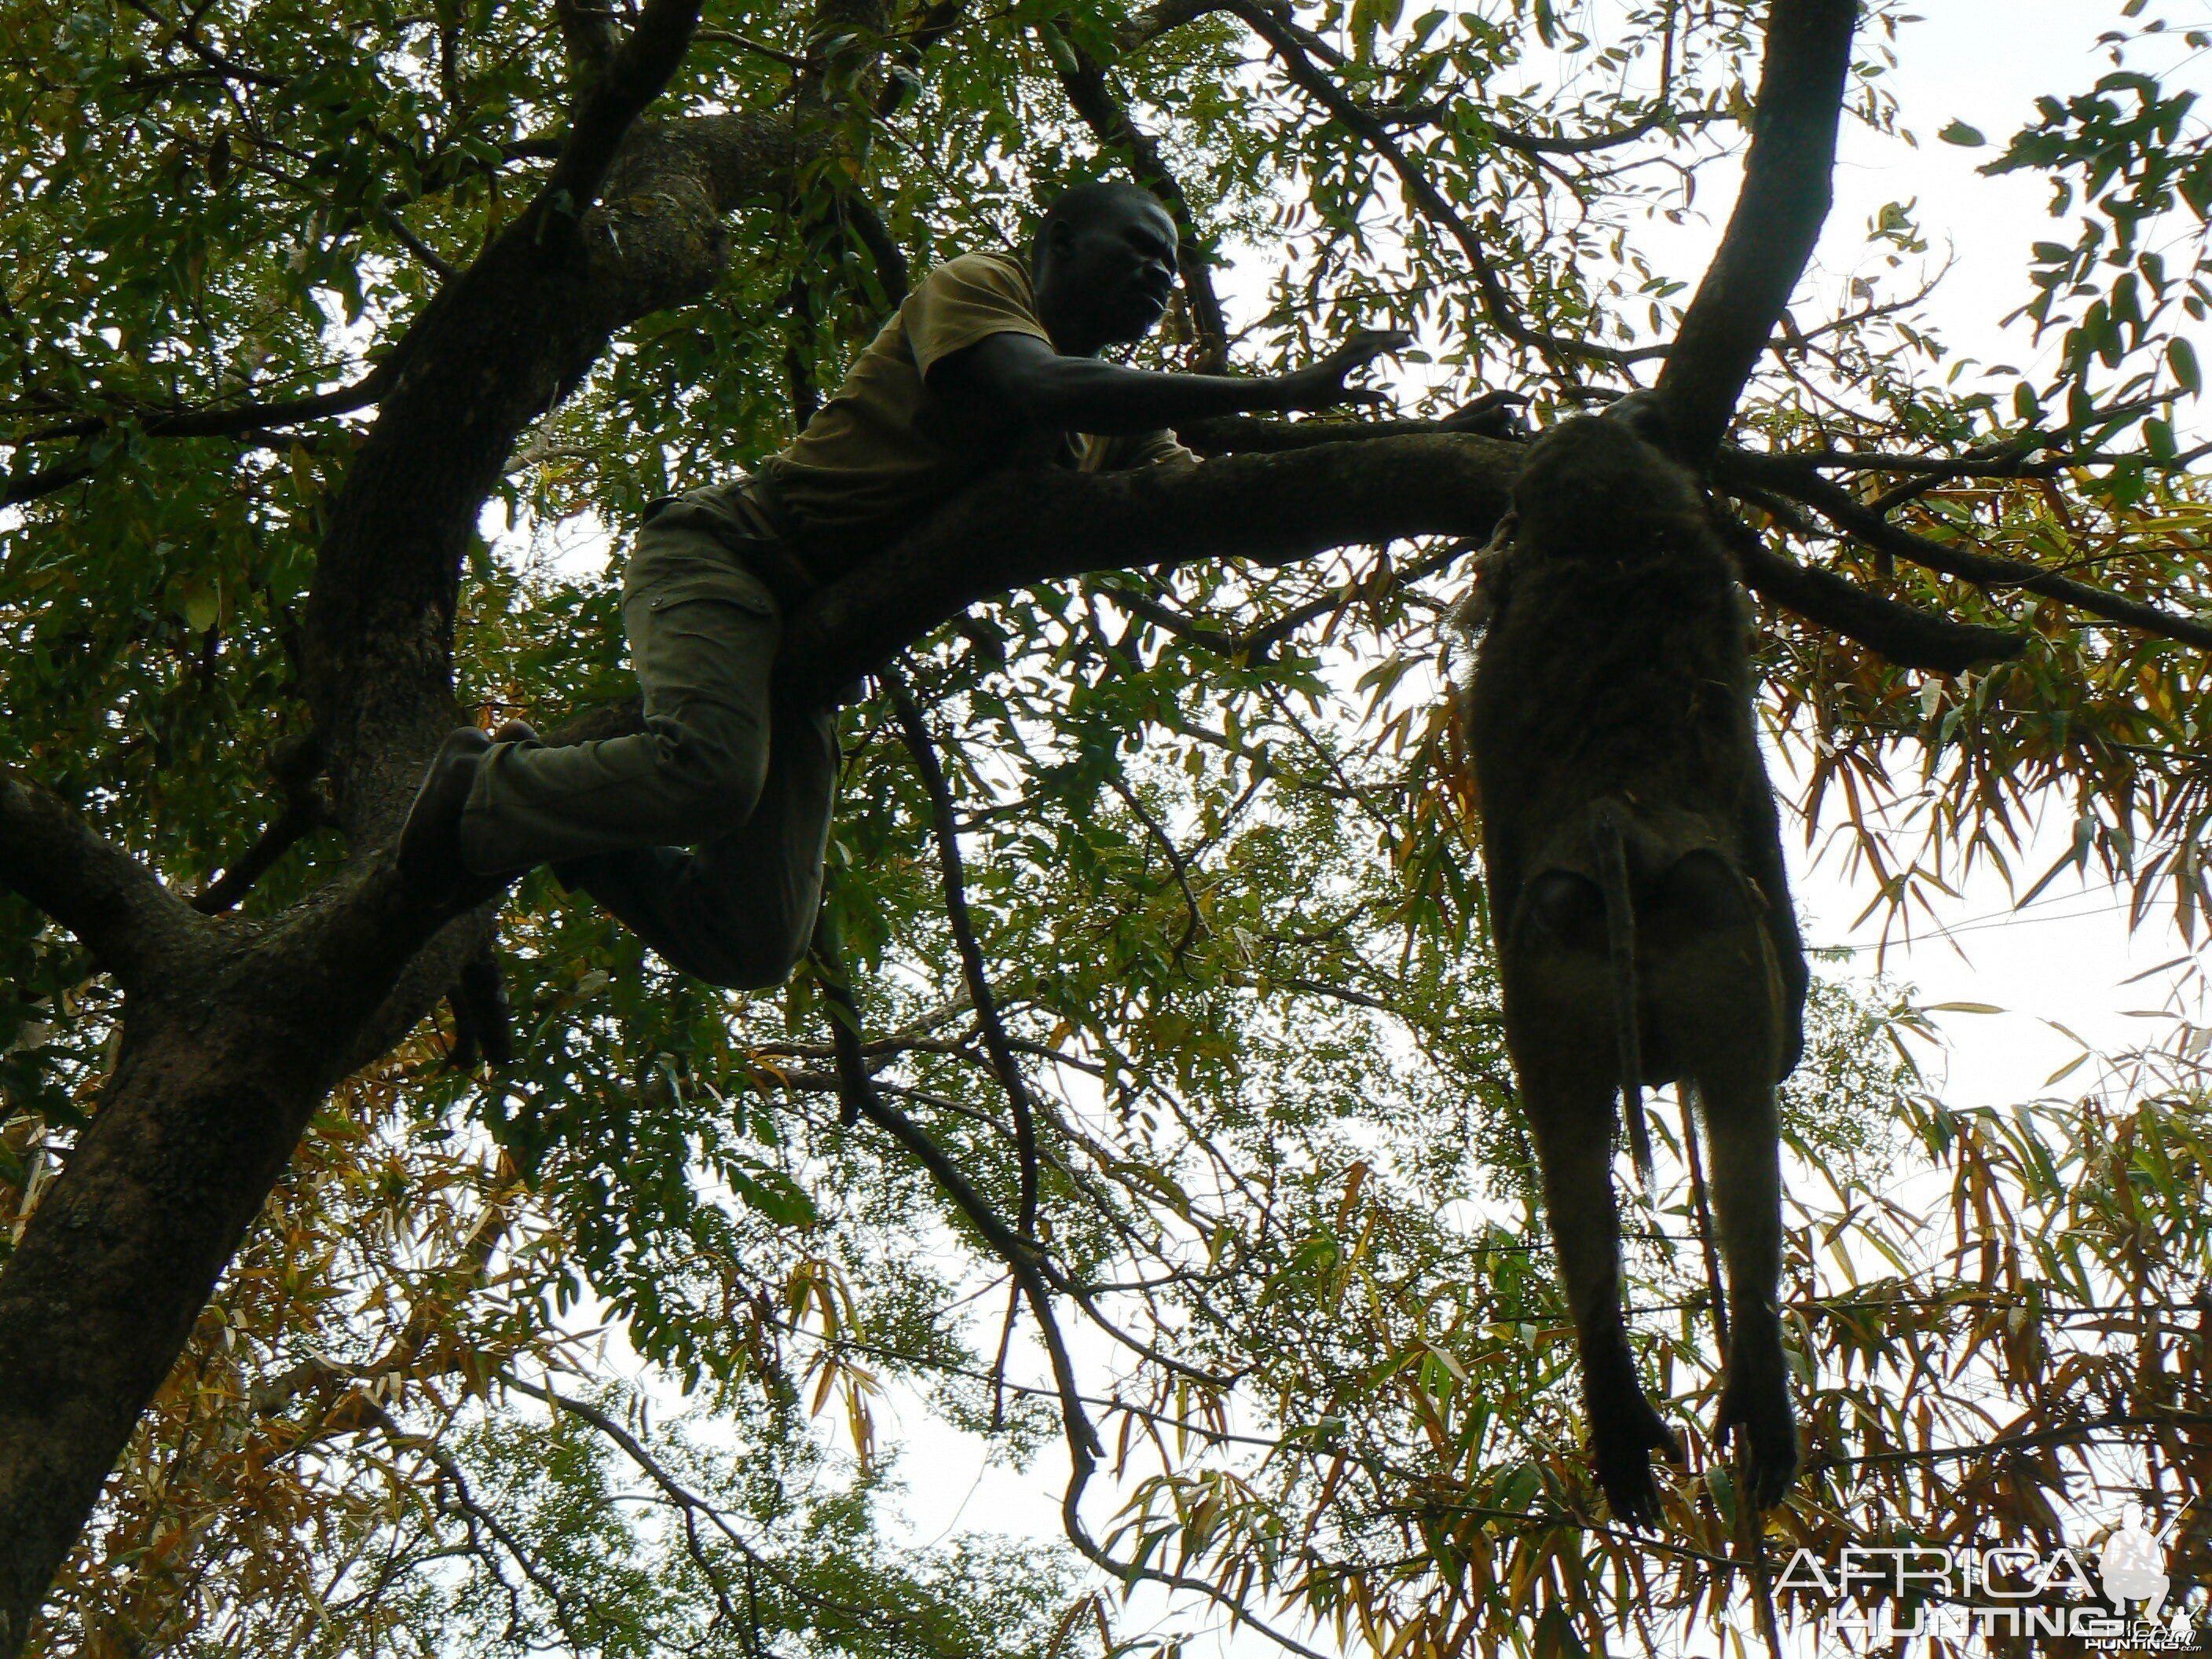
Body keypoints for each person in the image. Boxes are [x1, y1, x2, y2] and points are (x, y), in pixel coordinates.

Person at [397, 180, 1414, 987]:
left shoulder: (1118, 425)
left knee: (753, 947)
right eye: (1136, 248)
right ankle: (483, 787)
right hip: (729, 558)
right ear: (1055, 244)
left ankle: (568, 839)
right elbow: (1029, 386)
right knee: (709, 776)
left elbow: (1241, 497)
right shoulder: (983, 291)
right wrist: (1285, 382)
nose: (1157, 275)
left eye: (1172, 264)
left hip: (808, 654)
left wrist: (1426, 441)